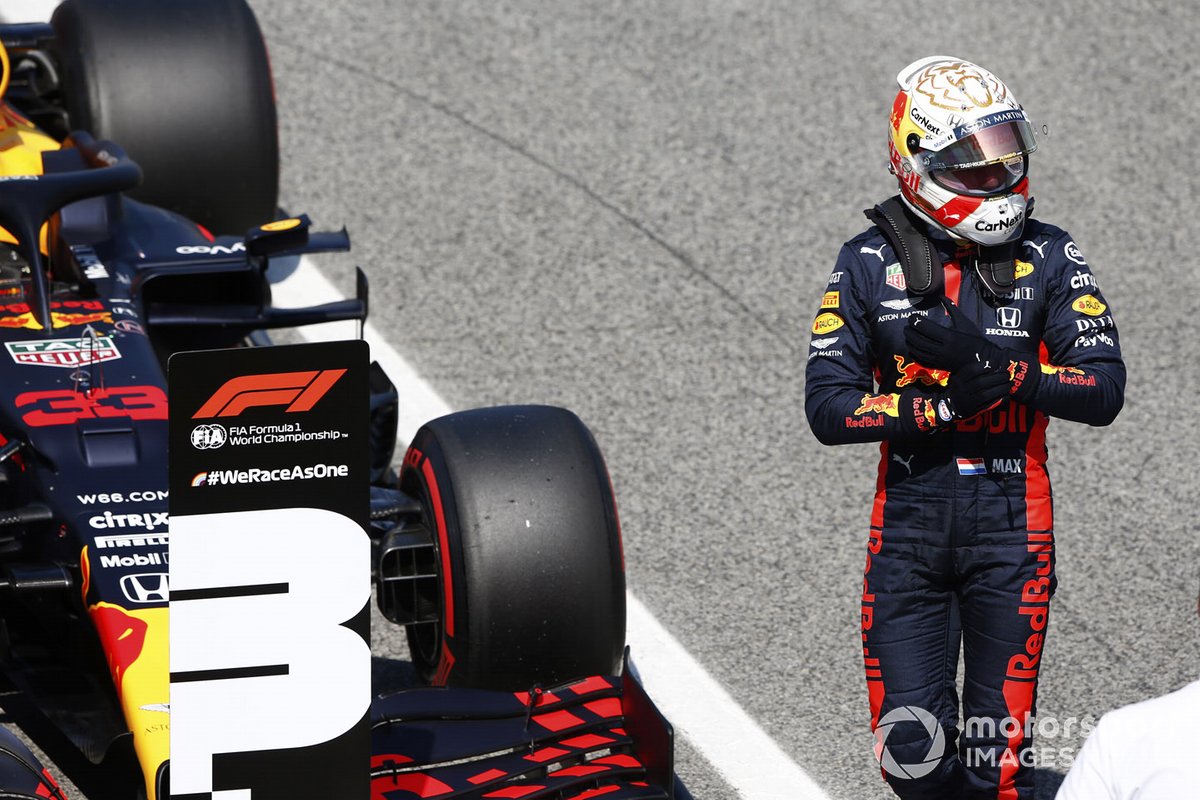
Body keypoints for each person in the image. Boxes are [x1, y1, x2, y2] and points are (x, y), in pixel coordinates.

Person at [805, 56, 1125, 799]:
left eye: (1006, 158)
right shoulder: (865, 263)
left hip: (1014, 537)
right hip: (908, 535)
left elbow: (1103, 387)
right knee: (909, 758)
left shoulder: (1051, 255)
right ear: (917, 164)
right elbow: (827, 405)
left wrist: (1000, 368)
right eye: (974, 168)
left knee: (996, 769)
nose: (997, 181)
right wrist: (939, 407)